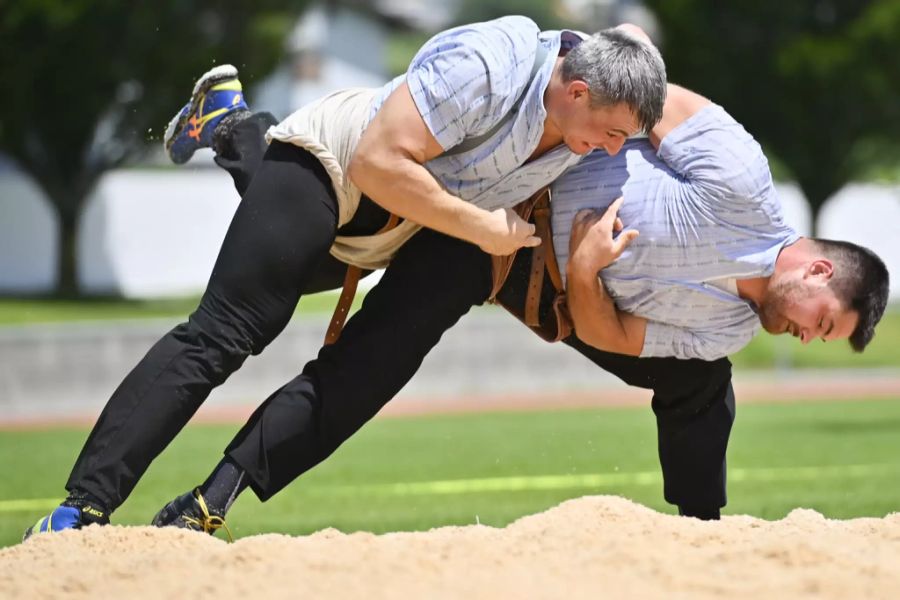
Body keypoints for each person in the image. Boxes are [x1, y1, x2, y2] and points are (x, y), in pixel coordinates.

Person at [142, 82, 884, 536]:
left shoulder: (727, 329)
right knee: (342, 274)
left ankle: (701, 535)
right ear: (818, 268)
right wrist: (570, 119)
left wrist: (590, 272)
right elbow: (645, 94)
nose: (807, 336)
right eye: (823, 320)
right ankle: (214, 497)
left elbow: (607, 334)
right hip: (500, 207)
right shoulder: (741, 180)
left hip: (562, 292)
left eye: (821, 337)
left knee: (701, 384)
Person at [23, 17, 667, 539]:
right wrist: (481, 229)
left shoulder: (598, 96)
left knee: (375, 359)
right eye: (611, 135)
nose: (614, 152)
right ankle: (81, 508)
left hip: (407, 222)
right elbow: (377, 161)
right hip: (337, 164)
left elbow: (638, 57)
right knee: (233, 328)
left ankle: (211, 499)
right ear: (576, 92)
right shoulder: (490, 61)